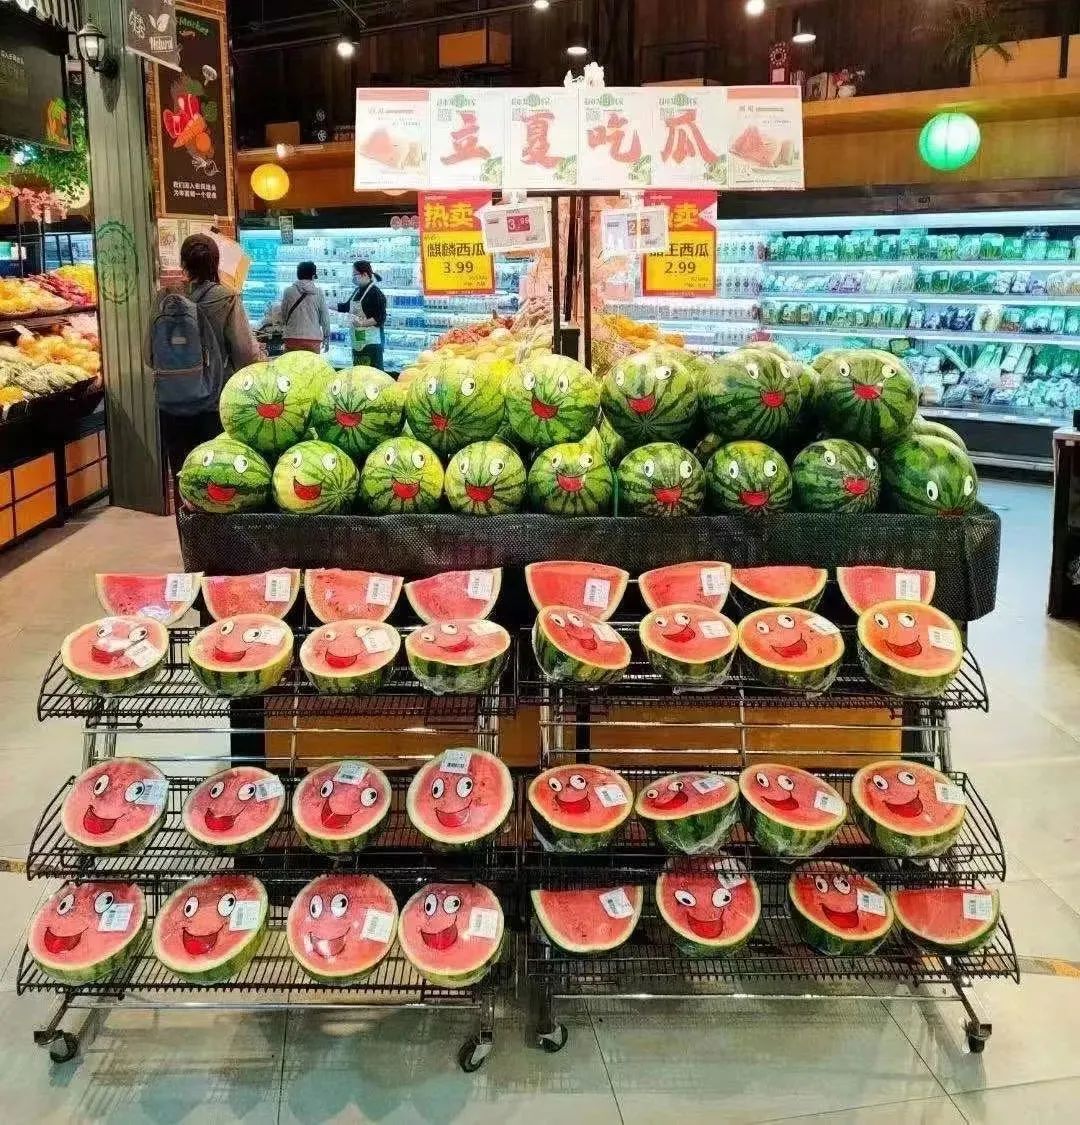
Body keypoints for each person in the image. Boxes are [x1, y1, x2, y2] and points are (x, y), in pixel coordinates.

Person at [148, 233, 259, 507]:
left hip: (171, 403)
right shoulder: (226, 298)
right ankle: (213, 546)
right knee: (216, 475)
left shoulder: (164, 299)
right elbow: (245, 353)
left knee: (182, 476)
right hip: (214, 403)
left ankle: (187, 541)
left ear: (183, 262)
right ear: (215, 262)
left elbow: (149, 356)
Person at [337, 259, 387, 369]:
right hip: (358, 340)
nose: (353, 278)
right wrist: (329, 306)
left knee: (372, 374)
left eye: (355, 275)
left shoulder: (375, 293)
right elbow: (346, 307)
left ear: (364, 274)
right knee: (359, 373)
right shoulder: (357, 291)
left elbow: (380, 317)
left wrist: (362, 324)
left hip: (371, 342)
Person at [279, 261, 331, 353]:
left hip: (291, 337)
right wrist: (326, 337)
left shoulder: (288, 291)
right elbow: (325, 318)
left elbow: (283, 315)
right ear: (313, 276)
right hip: (313, 338)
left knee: (290, 366)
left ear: (298, 274)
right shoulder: (319, 293)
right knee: (311, 366)